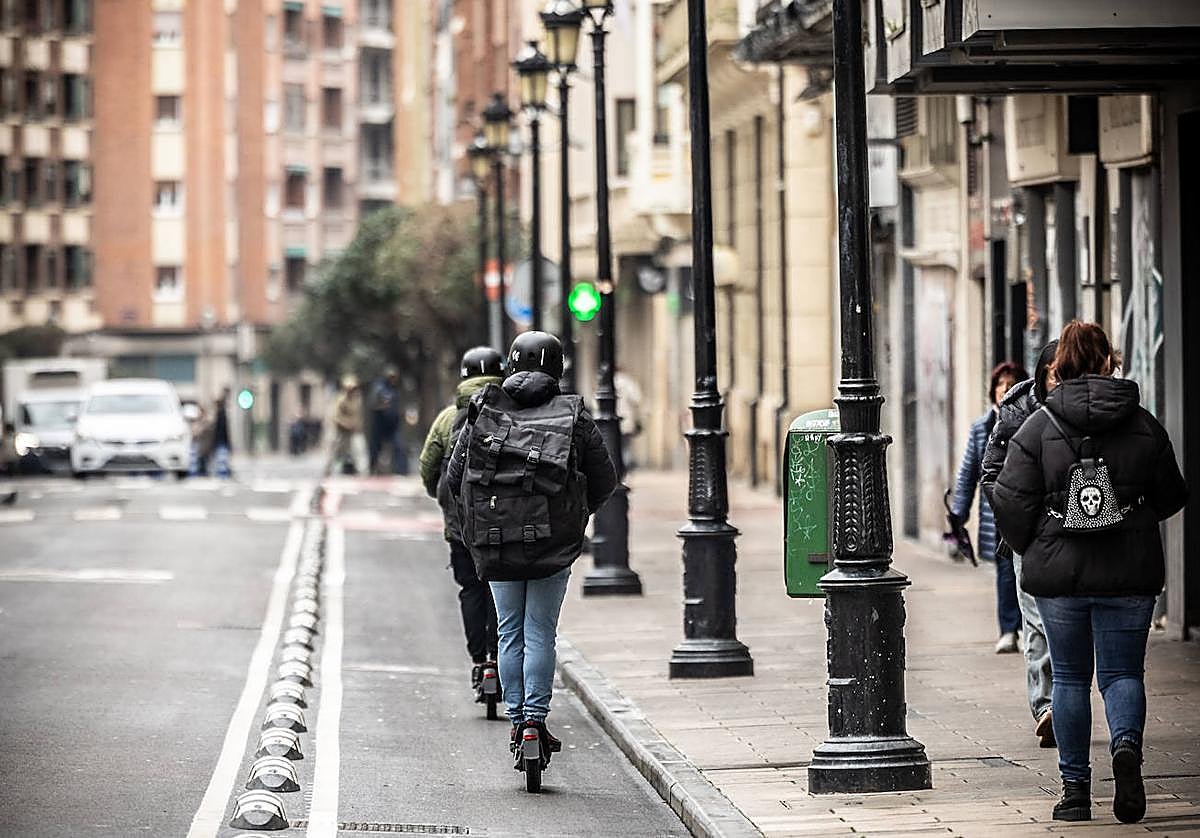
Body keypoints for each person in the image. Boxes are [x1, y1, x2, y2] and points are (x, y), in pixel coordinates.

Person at [992, 321, 1187, 824]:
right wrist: (1132, 516)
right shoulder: (1142, 424)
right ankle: (1125, 750)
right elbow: (1172, 495)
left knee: (1070, 678)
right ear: (1108, 362)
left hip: (1060, 576)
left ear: (1059, 366)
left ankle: (1076, 792)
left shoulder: (1038, 427)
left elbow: (1009, 498)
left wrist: (1035, 543)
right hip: (1129, 571)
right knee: (1122, 674)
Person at [446, 331, 617, 764]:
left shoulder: (483, 409)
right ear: (558, 369)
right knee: (540, 631)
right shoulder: (574, 415)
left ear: (510, 366)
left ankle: (516, 719)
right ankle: (535, 722)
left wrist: (476, 525)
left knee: (509, 631)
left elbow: (454, 478)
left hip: (495, 541)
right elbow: (605, 480)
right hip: (552, 543)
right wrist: (576, 515)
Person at [980, 341, 1059, 748]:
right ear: (1042, 374)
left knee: (1069, 623)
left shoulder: (1084, 409)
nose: (1061, 381)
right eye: (1055, 374)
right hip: (1028, 535)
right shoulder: (1017, 409)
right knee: (1036, 621)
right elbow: (989, 472)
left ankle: (1067, 702)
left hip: (1074, 532)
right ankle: (1046, 706)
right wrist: (1015, 522)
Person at [419, 346, 505, 698]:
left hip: (461, 525)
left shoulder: (447, 419)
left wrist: (441, 498)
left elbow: (428, 468)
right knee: (500, 591)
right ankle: (498, 661)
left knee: (470, 589)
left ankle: (479, 662)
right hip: (502, 522)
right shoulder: (512, 412)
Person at [949, 360, 1027, 653]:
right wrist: (959, 513)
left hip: (1027, 507)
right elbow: (969, 472)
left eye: (1011, 384)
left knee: (1027, 570)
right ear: (993, 390)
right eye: (1000, 385)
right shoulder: (982, 427)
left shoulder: (1032, 419)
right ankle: (1009, 629)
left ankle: (1027, 627)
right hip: (996, 511)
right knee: (1005, 571)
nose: (1005, 389)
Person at [326, 375, 366, 476]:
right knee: (336, 451)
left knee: (359, 449)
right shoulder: (340, 399)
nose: (352, 390)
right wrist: (345, 423)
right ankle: (328, 470)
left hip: (354, 430)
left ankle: (363, 472)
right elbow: (335, 416)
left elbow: (358, 414)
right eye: (349, 388)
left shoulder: (357, 399)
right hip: (342, 430)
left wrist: (357, 424)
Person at [368, 368, 404, 474]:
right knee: (376, 448)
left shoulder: (395, 389)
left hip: (393, 425)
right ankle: (373, 469)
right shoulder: (379, 387)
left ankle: (400, 471)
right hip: (380, 423)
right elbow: (373, 404)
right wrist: (382, 404)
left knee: (398, 446)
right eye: (391, 377)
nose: (393, 379)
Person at [211, 387, 233, 478]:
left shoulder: (221, 413)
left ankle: (223, 473)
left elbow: (221, 429)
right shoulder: (221, 412)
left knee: (222, 458)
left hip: (221, 440)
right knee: (222, 458)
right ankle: (222, 473)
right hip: (221, 440)